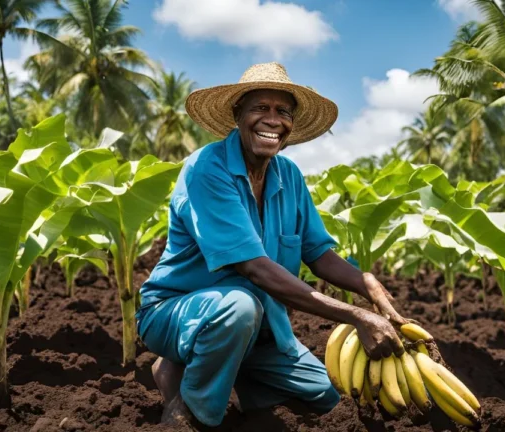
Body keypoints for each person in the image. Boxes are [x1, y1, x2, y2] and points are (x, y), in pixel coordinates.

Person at [136, 62, 407, 428]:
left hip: (263, 328)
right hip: (178, 312)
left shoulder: (290, 176)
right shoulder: (206, 169)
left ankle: (225, 373)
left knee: (326, 398)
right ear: (237, 114)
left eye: (283, 112)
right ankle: (189, 410)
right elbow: (253, 269)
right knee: (237, 307)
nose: (273, 120)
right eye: (260, 108)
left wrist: (366, 284)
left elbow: (318, 254)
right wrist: (354, 314)